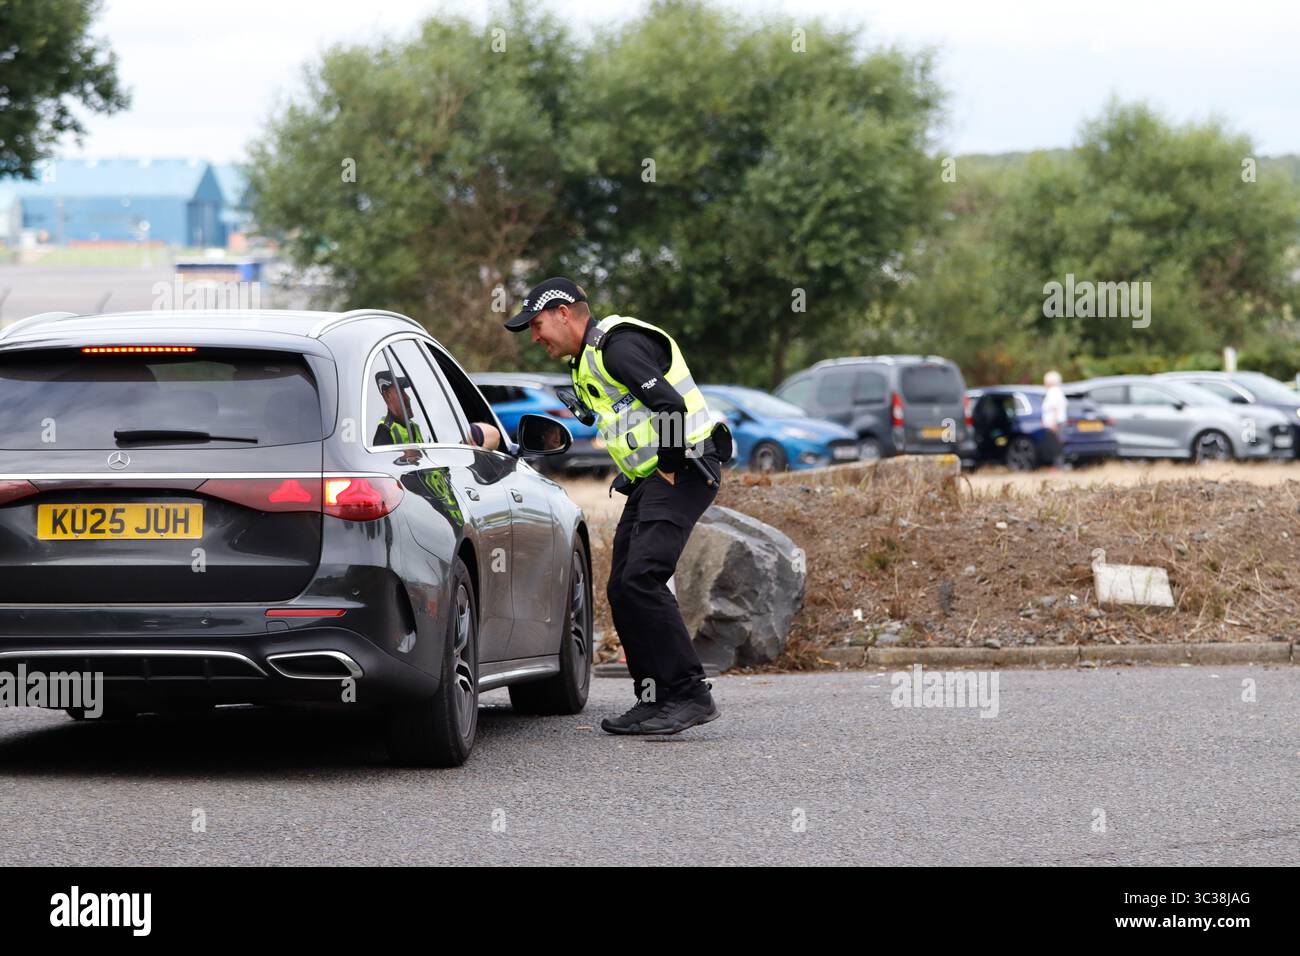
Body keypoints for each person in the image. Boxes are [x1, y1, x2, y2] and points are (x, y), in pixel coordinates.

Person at [505, 277, 722, 735]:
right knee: (622, 587)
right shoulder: (586, 363)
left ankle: (689, 694)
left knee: (643, 577)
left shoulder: (616, 347)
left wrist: (667, 462)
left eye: (538, 324)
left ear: (564, 313)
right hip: (653, 480)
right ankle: (653, 698)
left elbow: (669, 404)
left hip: (683, 471)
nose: (536, 336)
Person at [372, 369, 501, 450]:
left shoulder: (418, 427)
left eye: (405, 391)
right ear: (387, 395)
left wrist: (469, 435)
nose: (408, 398)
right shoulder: (384, 433)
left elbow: (493, 435)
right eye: (400, 391)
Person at [1041, 370, 1068, 470]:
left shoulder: (1053, 392)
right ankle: (1058, 466)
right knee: (1057, 444)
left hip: (1055, 423)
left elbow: (1055, 408)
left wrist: (1053, 423)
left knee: (1056, 445)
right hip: (1057, 422)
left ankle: (1058, 466)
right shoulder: (1057, 392)